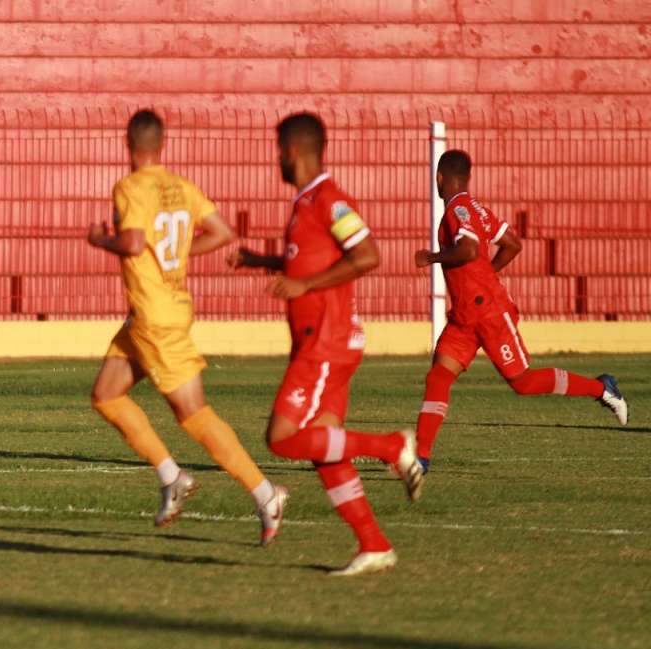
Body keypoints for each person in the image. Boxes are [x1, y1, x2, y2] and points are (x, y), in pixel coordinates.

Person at [228, 113, 423, 577]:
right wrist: (264, 261)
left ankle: (392, 445)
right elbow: (309, 259)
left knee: (282, 438)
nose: (276, 159)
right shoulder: (306, 203)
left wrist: (305, 285)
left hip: (326, 341)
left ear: (292, 151)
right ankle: (373, 544)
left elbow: (367, 255)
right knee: (323, 448)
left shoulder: (329, 200)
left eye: (278, 150)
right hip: (321, 341)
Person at [88, 109, 289, 546]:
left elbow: (134, 242)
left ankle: (265, 493)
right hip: (151, 314)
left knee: (192, 413)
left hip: (157, 317)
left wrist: (99, 239)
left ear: (129, 143)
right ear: (162, 144)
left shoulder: (129, 187)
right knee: (105, 394)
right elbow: (222, 231)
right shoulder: (181, 187)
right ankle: (171, 476)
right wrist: (177, 255)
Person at [413, 150, 628, 471]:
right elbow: (512, 243)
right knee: (438, 376)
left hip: (488, 313)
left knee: (523, 382)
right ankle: (420, 458)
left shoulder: (457, 209)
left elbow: (469, 249)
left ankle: (602, 388)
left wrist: (432, 258)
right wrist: (487, 274)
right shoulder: (478, 210)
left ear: (439, 178)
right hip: (464, 317)